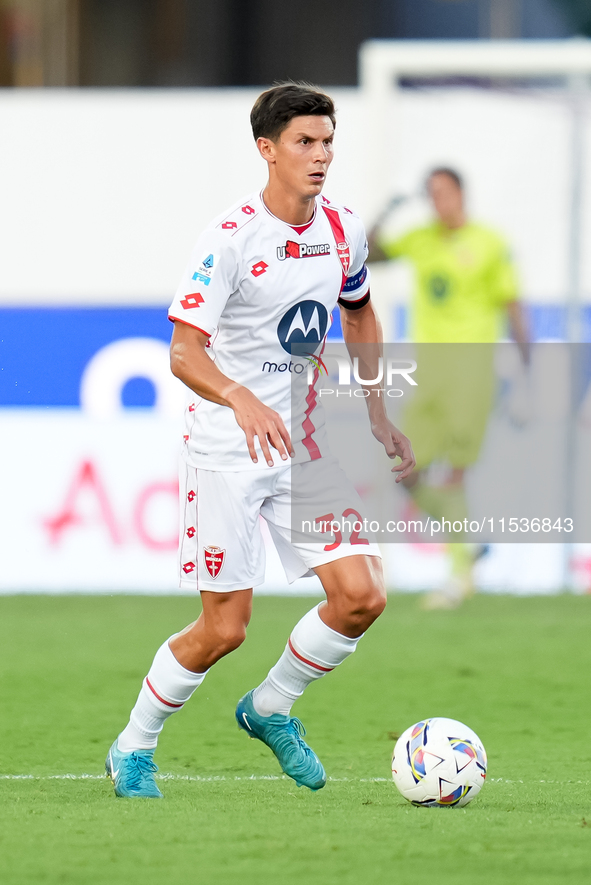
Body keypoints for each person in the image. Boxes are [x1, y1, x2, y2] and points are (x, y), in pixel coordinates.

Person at [106, 82, 415, 798]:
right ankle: (133, 746)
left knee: (362, 595)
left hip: (303, 444)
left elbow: (359, 313)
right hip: (225, 449)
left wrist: (376, 409)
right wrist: (240, 395)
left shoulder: (342, 230)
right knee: (224, 628)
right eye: (305, 142)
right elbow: (183, 353)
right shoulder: (230, 237)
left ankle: (270, 708)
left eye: (328, 141)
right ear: (266, 150)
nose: (320, 155)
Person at [369, 167, 528, 608]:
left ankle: (460, 577)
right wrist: (385, 213)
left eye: (444, 192)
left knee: (455, 471)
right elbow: (368, 253)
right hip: (430, 375)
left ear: (461, 193)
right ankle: (468, 544)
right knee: (403, 468)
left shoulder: (490, 243)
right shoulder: (420, 238)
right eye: (431, 195)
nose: (439, 201)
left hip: (472, 374)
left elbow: (513, 304)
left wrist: (529, 373)